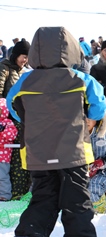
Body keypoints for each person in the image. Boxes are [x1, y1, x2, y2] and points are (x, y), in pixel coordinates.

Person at [6, 26, 106, 237]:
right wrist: (88, 116)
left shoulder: (25, 80)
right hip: (74, 152)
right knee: (76, 201)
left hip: (39, 154)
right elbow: (98, 107)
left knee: (43, 198)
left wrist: (32, 119)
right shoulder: (81, 79)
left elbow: (13, 107)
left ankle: (30, 233)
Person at [0, 38, 31, 200]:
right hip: (6, 117)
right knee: (9, 156)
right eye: (23, 56)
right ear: (16, 55)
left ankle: (20, 189)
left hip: (20, 117)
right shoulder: (4, 68)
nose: (25, 60)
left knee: (20, 153)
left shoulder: (24, 71)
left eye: (27, 57)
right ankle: (9, 191)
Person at [0, 98, 17, 201]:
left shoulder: (8, 123)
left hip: (3, 156)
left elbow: (12, 136)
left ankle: (4, 195)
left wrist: (2, 130)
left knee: (2, 176)